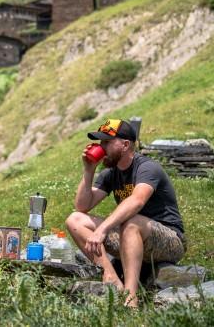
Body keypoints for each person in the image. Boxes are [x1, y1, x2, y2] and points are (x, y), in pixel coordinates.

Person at [66, 119, 185, 307]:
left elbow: (137, 200)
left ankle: (131, 300)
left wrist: (102, 229)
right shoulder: (110, 173)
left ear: (125, 144)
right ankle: (111, 277)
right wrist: (88, 171)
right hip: (129, 235)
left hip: (169, 240)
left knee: (131, 222)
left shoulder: (147, 167)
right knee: (75, 219)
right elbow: (82, 206)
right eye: (100, 142)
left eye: (106, 142)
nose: (101, 147)